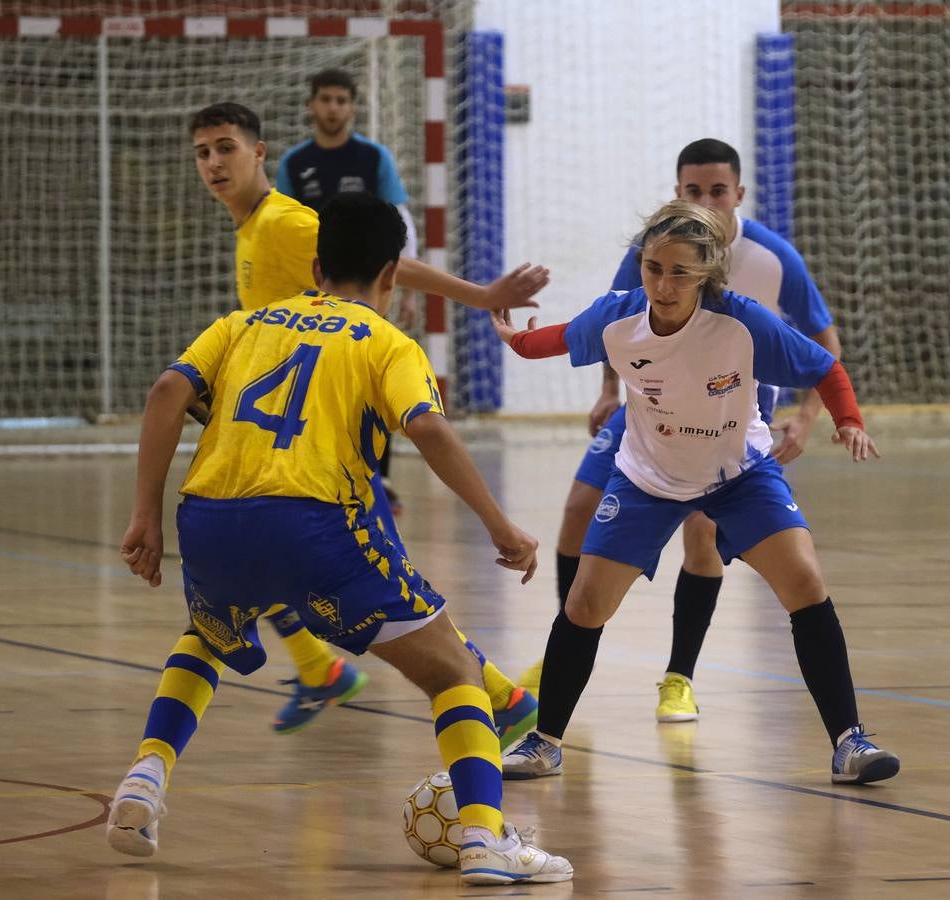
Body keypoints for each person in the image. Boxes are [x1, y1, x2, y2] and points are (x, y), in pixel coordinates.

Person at [105, 192, 572, 885]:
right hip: (315, 524)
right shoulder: (388, 341)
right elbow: (429, 428)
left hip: (208, 516)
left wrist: (143, 515)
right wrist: (500, 525)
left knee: (205, 634)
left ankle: (145, 777)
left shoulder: (242, 323)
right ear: (391, 277)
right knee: (453, 673)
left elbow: (166, 393)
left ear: (315, 265)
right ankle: (483, 839)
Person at [495, 200, 900, 787]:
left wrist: (849, 420)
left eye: (679, 272)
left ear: (707, 274)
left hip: (739, 474)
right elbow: (554, 340)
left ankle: (849, 742)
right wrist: (514, 338)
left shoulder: (745, 323)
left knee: (806, 584)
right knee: (585, 606)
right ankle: (544, 743)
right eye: (654, 267)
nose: (663, 283)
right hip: (647, 478)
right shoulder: (617, 318)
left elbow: (826, 368)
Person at [189, 102, 539, 744]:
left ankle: (495, 694)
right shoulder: (250, 229)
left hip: (330, 426)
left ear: (259, 152)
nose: (214, 162)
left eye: (226, 148)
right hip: (289, 431)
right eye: (204, 151)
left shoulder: (287, 223)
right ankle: (324, 669)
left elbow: (386, 263)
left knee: (370, 584)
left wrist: (483, 297)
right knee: (275, 561)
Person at [520, 139, 843, 727]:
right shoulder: (660, 248)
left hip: (724, 408)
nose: (706, 201)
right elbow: (614, 321)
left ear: (738, 194)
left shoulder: (773, 261)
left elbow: (823, 345)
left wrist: (808, 417)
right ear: (678, 193)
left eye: (717, 191)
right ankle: (561, 656)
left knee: (702, 534)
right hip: (648, 400)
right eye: (693, 191)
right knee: (576, 510)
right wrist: (608, 393)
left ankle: (679, 677)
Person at [277, 67, 418, 508]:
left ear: (351, 106)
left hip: (367, 289)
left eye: (341, 100)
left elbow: (401, 223)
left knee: (371, 379)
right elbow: (280, 229)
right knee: (311, 377)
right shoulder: (294, 164)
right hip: (312, 288)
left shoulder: (373, 158)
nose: (333, 108)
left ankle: (381, 476)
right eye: (326, 99)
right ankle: (305, 468)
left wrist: (404, 288)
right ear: (311, 106)